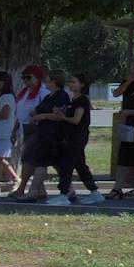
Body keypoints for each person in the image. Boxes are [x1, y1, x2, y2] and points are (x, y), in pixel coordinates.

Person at [35, 71, 102, 205]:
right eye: (70, 82)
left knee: (66, 165)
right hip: (71, 136)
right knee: (80, 165)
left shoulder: (82, 100)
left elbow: (77, 120)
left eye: (74, 82)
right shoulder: (73, 100)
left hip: (78, 137)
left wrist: (63, 117)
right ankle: (95, 192)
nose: (70, 84)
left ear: (82, 85)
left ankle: (64, 194)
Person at [12, 64, 51, 198]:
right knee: (34, 161)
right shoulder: (23, 94)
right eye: (24, 78)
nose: (26, 80)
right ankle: (41, 190)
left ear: (38, 77)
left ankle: (22, 188)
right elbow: (19, 114)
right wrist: (14, 130)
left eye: (29, 77)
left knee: (28, 160)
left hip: (38, 129)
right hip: (25, 129)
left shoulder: (44, 94)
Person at [114, 60, 134, 198]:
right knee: (124, 156)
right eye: (132, 70)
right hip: (129, 127)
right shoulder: (129, 86)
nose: (133, 73)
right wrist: (128, 81)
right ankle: (117, 188)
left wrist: (130, 112)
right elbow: (116, 93)